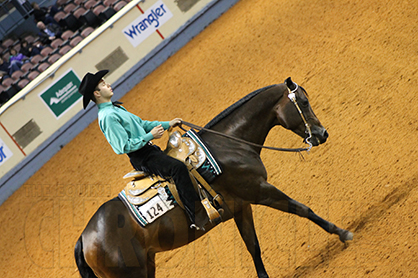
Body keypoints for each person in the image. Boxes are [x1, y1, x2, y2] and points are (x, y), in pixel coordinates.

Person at [78, 70, 209, 230]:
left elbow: (142, 123)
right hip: (142, 157)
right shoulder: (108, 116)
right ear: (97, 93)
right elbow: (122, 146)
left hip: (149, 151)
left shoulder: (115, 109)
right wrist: (149, 136)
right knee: (178, 168)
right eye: (104, 84)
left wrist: (168, 124)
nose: (109, 84)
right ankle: (198, 217)